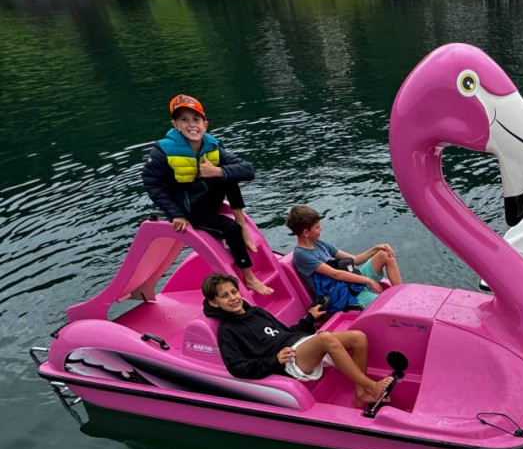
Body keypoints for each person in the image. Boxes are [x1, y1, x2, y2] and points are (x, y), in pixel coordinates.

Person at [141, 94, 272, 296]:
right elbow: (152, 184)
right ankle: (250, 277)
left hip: (209, 199)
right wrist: (176, 213)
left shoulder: (212, 145)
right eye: (184, 119)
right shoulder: (162, 151)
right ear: (175, 124)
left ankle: (242, 224)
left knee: (228, 174)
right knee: (231, 229)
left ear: (205, 124)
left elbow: (248, 170)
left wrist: (217, 172)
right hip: (190, 210)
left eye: (196, 119)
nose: (191, 125)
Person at [201, 272, 391, 404]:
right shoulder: (228, 331)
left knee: (358, 338)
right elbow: (237, 368)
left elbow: (285, 333)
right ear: (213, 302)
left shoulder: (256, 312)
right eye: (224, 296)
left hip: (299, 344)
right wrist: (274, 360)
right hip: (288, 362)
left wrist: (309, 318)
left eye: (234, 292)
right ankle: (372, 387)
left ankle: (361, 394)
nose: (233, 298)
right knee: (326, 338)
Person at [285, 205, 402, 312]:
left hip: (351, 283)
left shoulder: (321, 244)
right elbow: (335, 274)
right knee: (387, 304)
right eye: (317, 227)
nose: (321, 229)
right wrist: (368, 280)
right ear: (306, 232)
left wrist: (376, 248)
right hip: (343, 294)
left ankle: (401, 294)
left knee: (384, 255)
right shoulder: (302, 255)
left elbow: (355, 259)